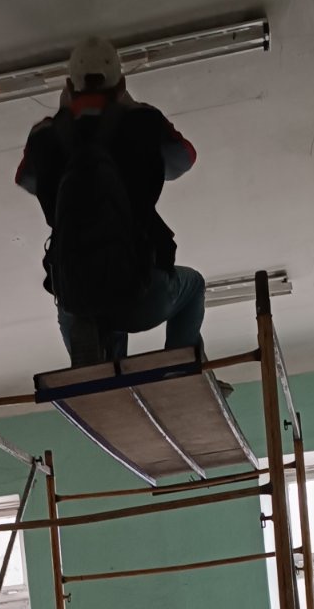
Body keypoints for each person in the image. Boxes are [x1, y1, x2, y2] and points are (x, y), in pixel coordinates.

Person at [16, 34, 205, 366]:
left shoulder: (44, 135)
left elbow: (27, 180)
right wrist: (129, 111)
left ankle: (102, 366)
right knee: (193, 287)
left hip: (75, 296)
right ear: (122, 84)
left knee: (99, 333)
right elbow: (184, 160)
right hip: (141, 292)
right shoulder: (144, 121)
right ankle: (179, 369)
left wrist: (64, 123)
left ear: (68, 86)